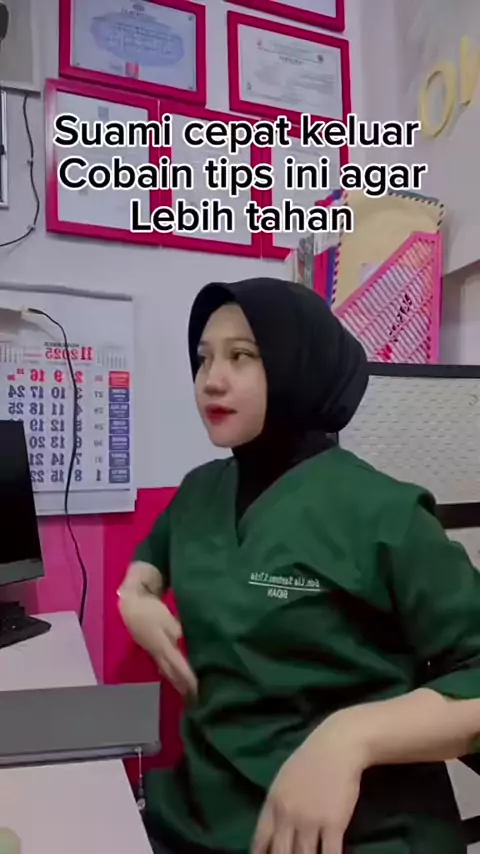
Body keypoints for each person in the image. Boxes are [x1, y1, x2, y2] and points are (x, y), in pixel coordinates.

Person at [118, 277, 480, 854]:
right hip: (200, 818)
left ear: (297, 364)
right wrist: (135, 597)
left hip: (356, 833)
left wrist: (351, 737)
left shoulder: (385, 514)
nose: (211, 379)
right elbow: (152, 560)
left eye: (242, 356)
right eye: (203, 358)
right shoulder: (199, 493)